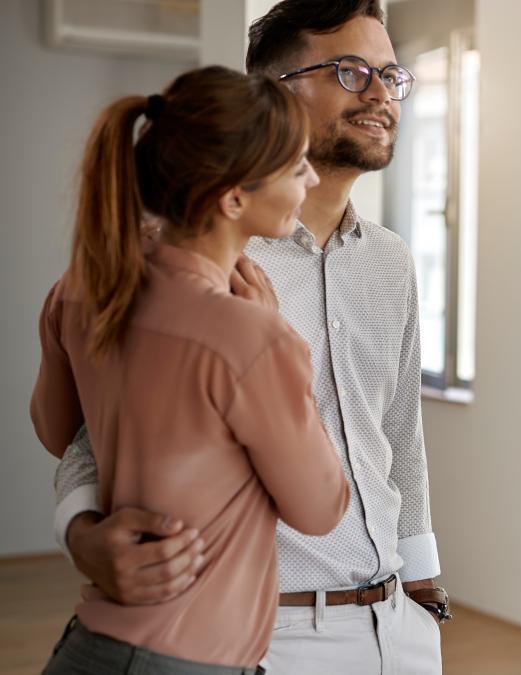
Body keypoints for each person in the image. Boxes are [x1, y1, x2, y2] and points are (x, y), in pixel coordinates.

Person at [50, 2, 447, 673]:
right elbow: (94, 426)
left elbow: (398, 432)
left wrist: (423, 581)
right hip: (264, 634)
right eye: (352, 72)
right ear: (274, 91)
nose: (381, 93)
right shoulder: (197, 262)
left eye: (391, 75)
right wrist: (80, 531)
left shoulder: (392, 260)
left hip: (395, 625)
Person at [31, 65, 349, 674]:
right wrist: (280, 341)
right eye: (296, 166)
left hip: (90, 649)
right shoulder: (252, 334)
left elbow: (57, 433)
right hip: (182, 661)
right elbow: (320, 508)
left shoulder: (75, 293)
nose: (311, 178)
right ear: (233, 197)